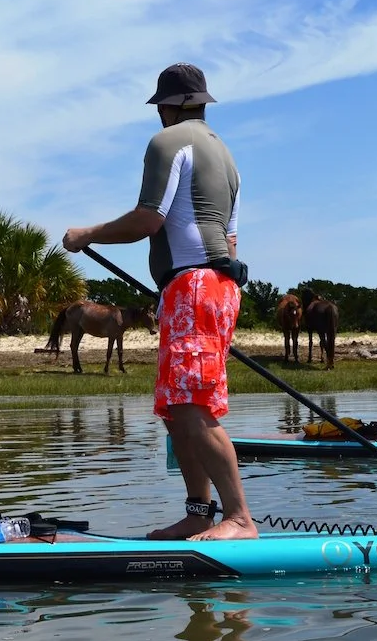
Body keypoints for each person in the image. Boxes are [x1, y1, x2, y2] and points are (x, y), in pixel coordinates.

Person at [61, 62, 255, 541]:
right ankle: (198, 512)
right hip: (208, 288)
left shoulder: (169, 143)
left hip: (194, 288)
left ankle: (239, 518)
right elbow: (229, 243)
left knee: (191, 406)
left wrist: (88, 235)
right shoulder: (226, 156)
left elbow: (149, 219)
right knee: (175, 408)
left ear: (167, 106)